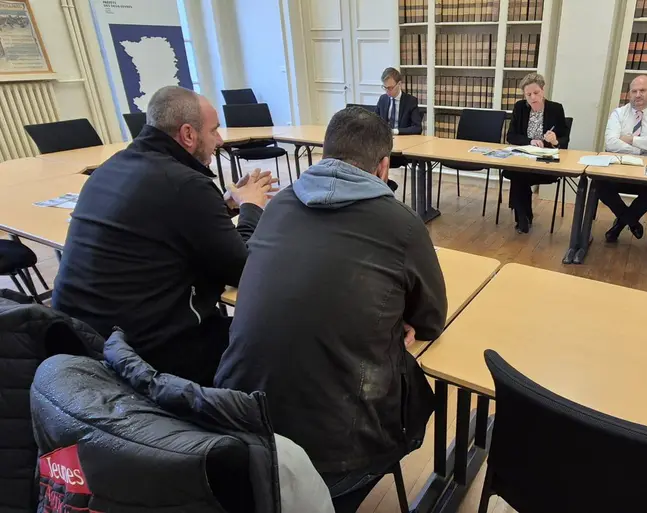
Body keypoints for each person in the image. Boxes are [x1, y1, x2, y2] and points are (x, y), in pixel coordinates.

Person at [215, 107, 447, 507]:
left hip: (238, 429)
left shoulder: (279, 206)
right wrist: (395, 316)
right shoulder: (403, 224)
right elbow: (431, 320)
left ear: (323, 155)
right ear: (384, 166)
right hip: (338, 459)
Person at [52, 86, 277, 387]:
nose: (220, 141)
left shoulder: (111, 167)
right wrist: (251, 207)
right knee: (274, 337)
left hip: (79, 343)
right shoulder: (187, 185)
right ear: (188, 134)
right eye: (214, 131)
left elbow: (167, 224)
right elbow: (244, 271)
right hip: (142, 358)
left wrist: (222, 205)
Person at [600, 74, 647, 242]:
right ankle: (631, 221)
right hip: (620, 167)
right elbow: (611, 143)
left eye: (642, 90)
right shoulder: (619, 113)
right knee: (600, 184)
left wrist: (632, 139)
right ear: (629, 93)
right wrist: (641, 150)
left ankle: (619, 225)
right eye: (634, 91)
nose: (638, 95)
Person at [504, 73, 570, 233]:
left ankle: (523, 218)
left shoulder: (555, 108)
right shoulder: (520, 107)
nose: (533, 97)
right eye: (528, 94)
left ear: (543, 90)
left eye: (536, 93)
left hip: (545, 163)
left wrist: (555, 141)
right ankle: (524, 217)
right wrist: (530, 141)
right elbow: (510, 136)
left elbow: (565, 140)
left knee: (517, 175)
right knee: (517, 172)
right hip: (524, 158)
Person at [375, 67, 423, 172]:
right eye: (385, 87)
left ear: (399, 84)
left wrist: (395, 131)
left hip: (403, 149)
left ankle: (384, 185)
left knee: (380, 160)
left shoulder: (410, 101)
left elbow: (417, 128)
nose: (387, 91)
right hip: (384, 145)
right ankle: (380, 185)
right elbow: (375, 121)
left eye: (390, 88)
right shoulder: (383, 99)